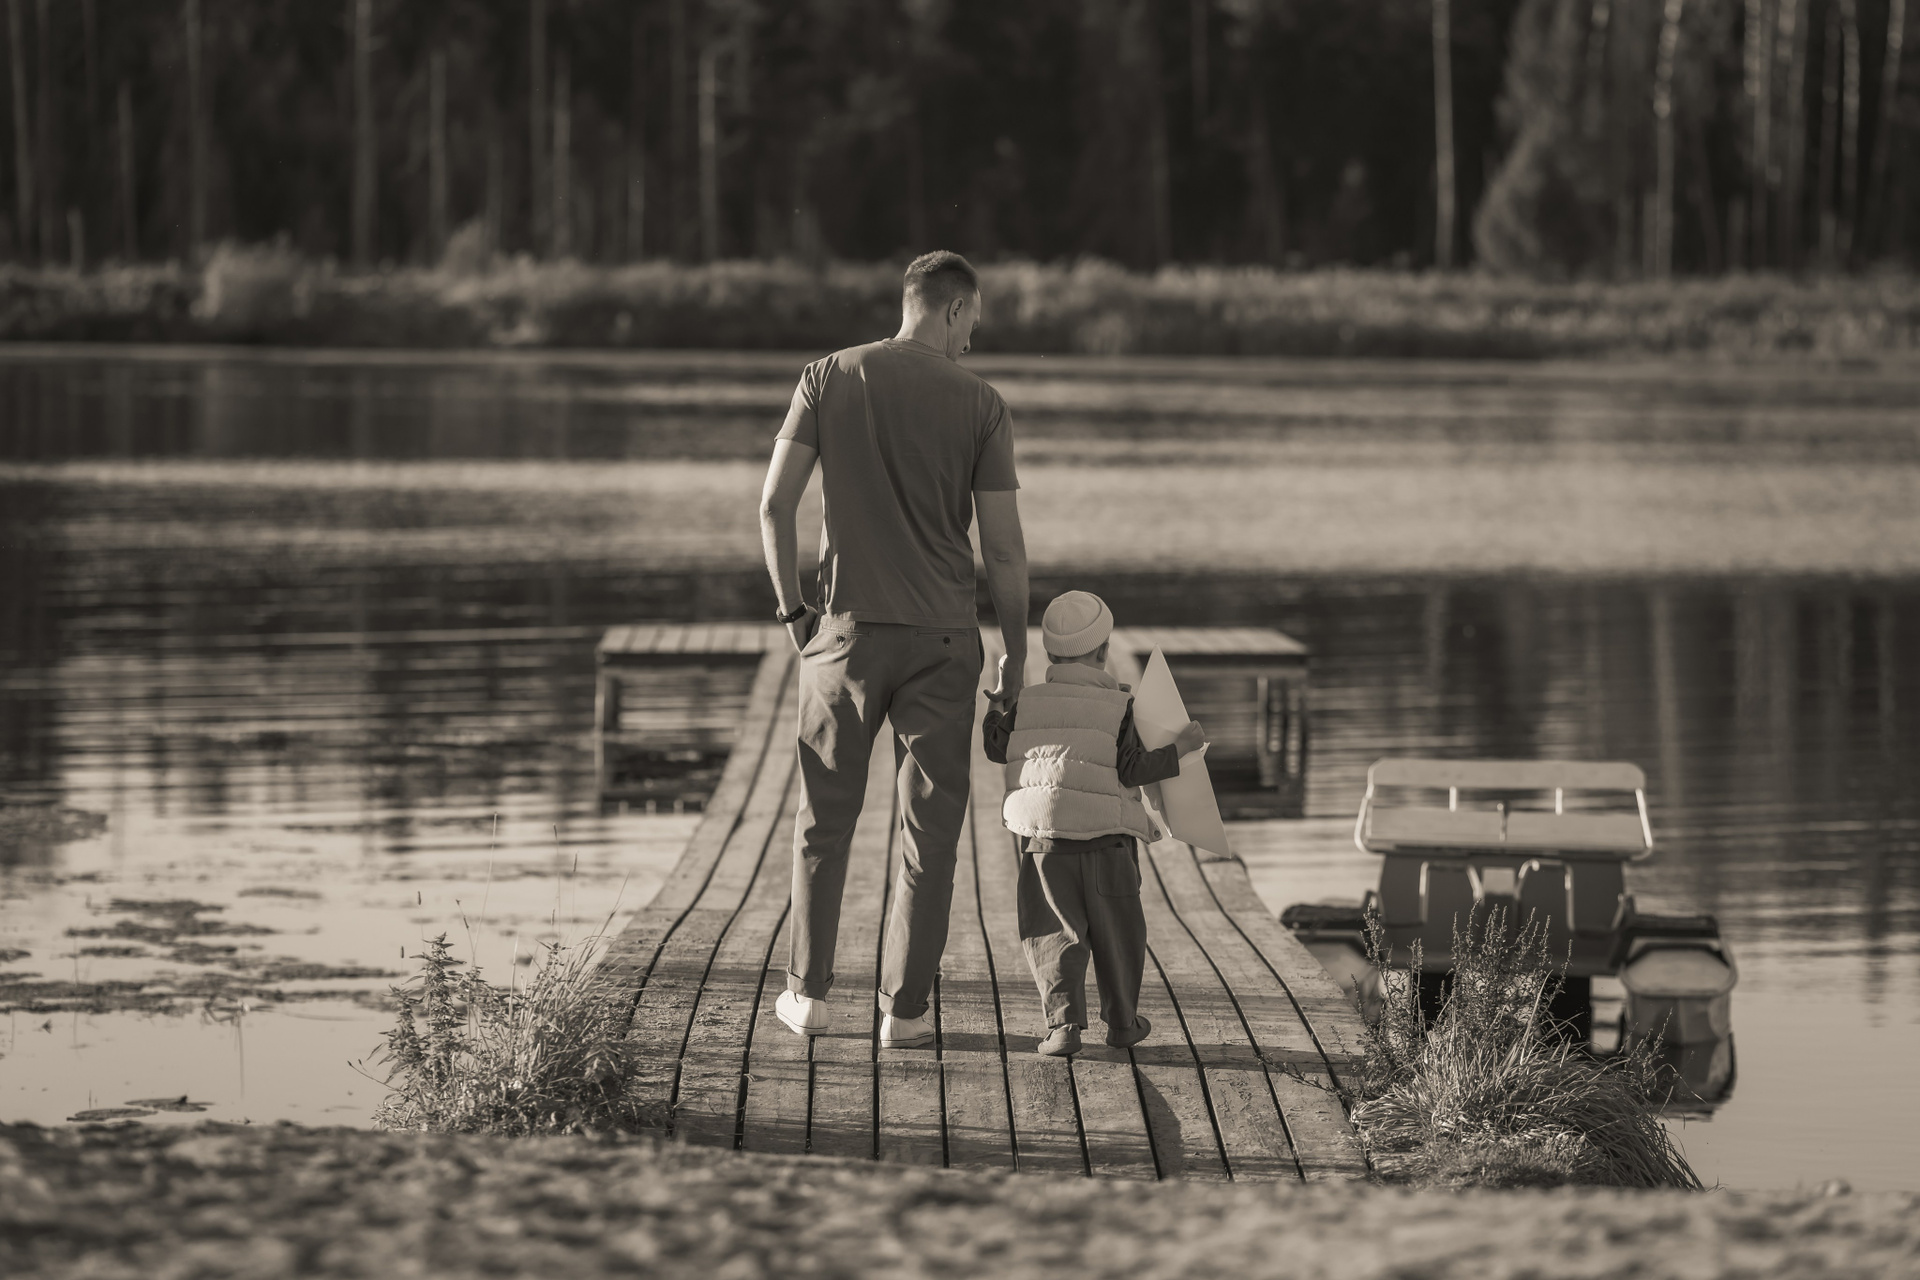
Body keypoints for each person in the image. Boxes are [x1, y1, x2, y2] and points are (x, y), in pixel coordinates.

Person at [758, 250, 1031, 1049]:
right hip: (944, 641)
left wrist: (793, 613)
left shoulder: (826, 377)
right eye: (973, 323)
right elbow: (1003, 550)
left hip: (844, 637)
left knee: (823, 822)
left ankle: (808, 997)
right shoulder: (982, 404)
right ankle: (904, 1013)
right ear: (952, 308)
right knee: (930, 833)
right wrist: (1015, 655)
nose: (972, 341)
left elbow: (773, 505)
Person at [982, 590, 1207, 1057]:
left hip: (1044, 845)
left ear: (1049, 655)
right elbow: (1132, 768)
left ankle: (1063, 1027)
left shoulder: (1026, 704)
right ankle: (1123, 1023)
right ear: (1104, 652)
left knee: (1052, 933)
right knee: (1118, 932)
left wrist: (999, 701)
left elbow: (995, 746)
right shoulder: (1120, 707)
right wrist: (1181, 749)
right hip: (1108, 842)